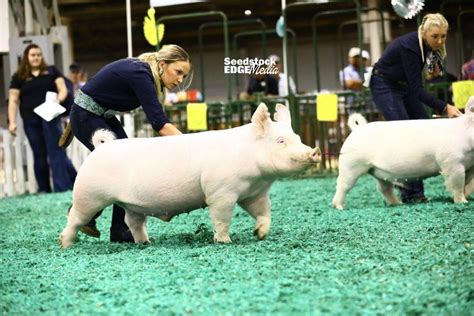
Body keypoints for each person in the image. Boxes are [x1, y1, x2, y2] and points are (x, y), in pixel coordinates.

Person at [64, 44, 192, 243]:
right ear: (162, 65)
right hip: (85, 116)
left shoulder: (143, 73)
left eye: (183, 75)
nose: (180, 80)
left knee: (125, 165)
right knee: (119, 167)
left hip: (100, 115)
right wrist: (192, 145)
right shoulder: (141, 75)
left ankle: (119, 230)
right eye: (178, 72)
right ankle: (83, 213)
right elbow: (159, 123)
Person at [369, 13, 462, 203]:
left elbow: (430, 77)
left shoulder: (429, 47)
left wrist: (435, 68)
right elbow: (417, 89)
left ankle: (413, 189)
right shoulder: (410, 46)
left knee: (423, 130)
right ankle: (410, 192)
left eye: (443, 36)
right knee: (405, 133)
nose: (440, 40)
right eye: (435, 36)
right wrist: (445, 107)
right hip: (384, 84)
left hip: (403, 86)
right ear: (424, 33)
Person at [8, 43, 77, 193]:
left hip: (50, 116)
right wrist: (12, 122)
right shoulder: (19, 77)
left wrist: (58, 100)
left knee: (56, 150)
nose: (36, 58)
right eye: (33, 55)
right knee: (39, 153)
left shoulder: (52, 71)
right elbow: (13, 100)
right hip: (30, 120)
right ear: (27, 57)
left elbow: (63, 89)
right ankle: (44, 188)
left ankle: (62, 187)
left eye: (39, 55)